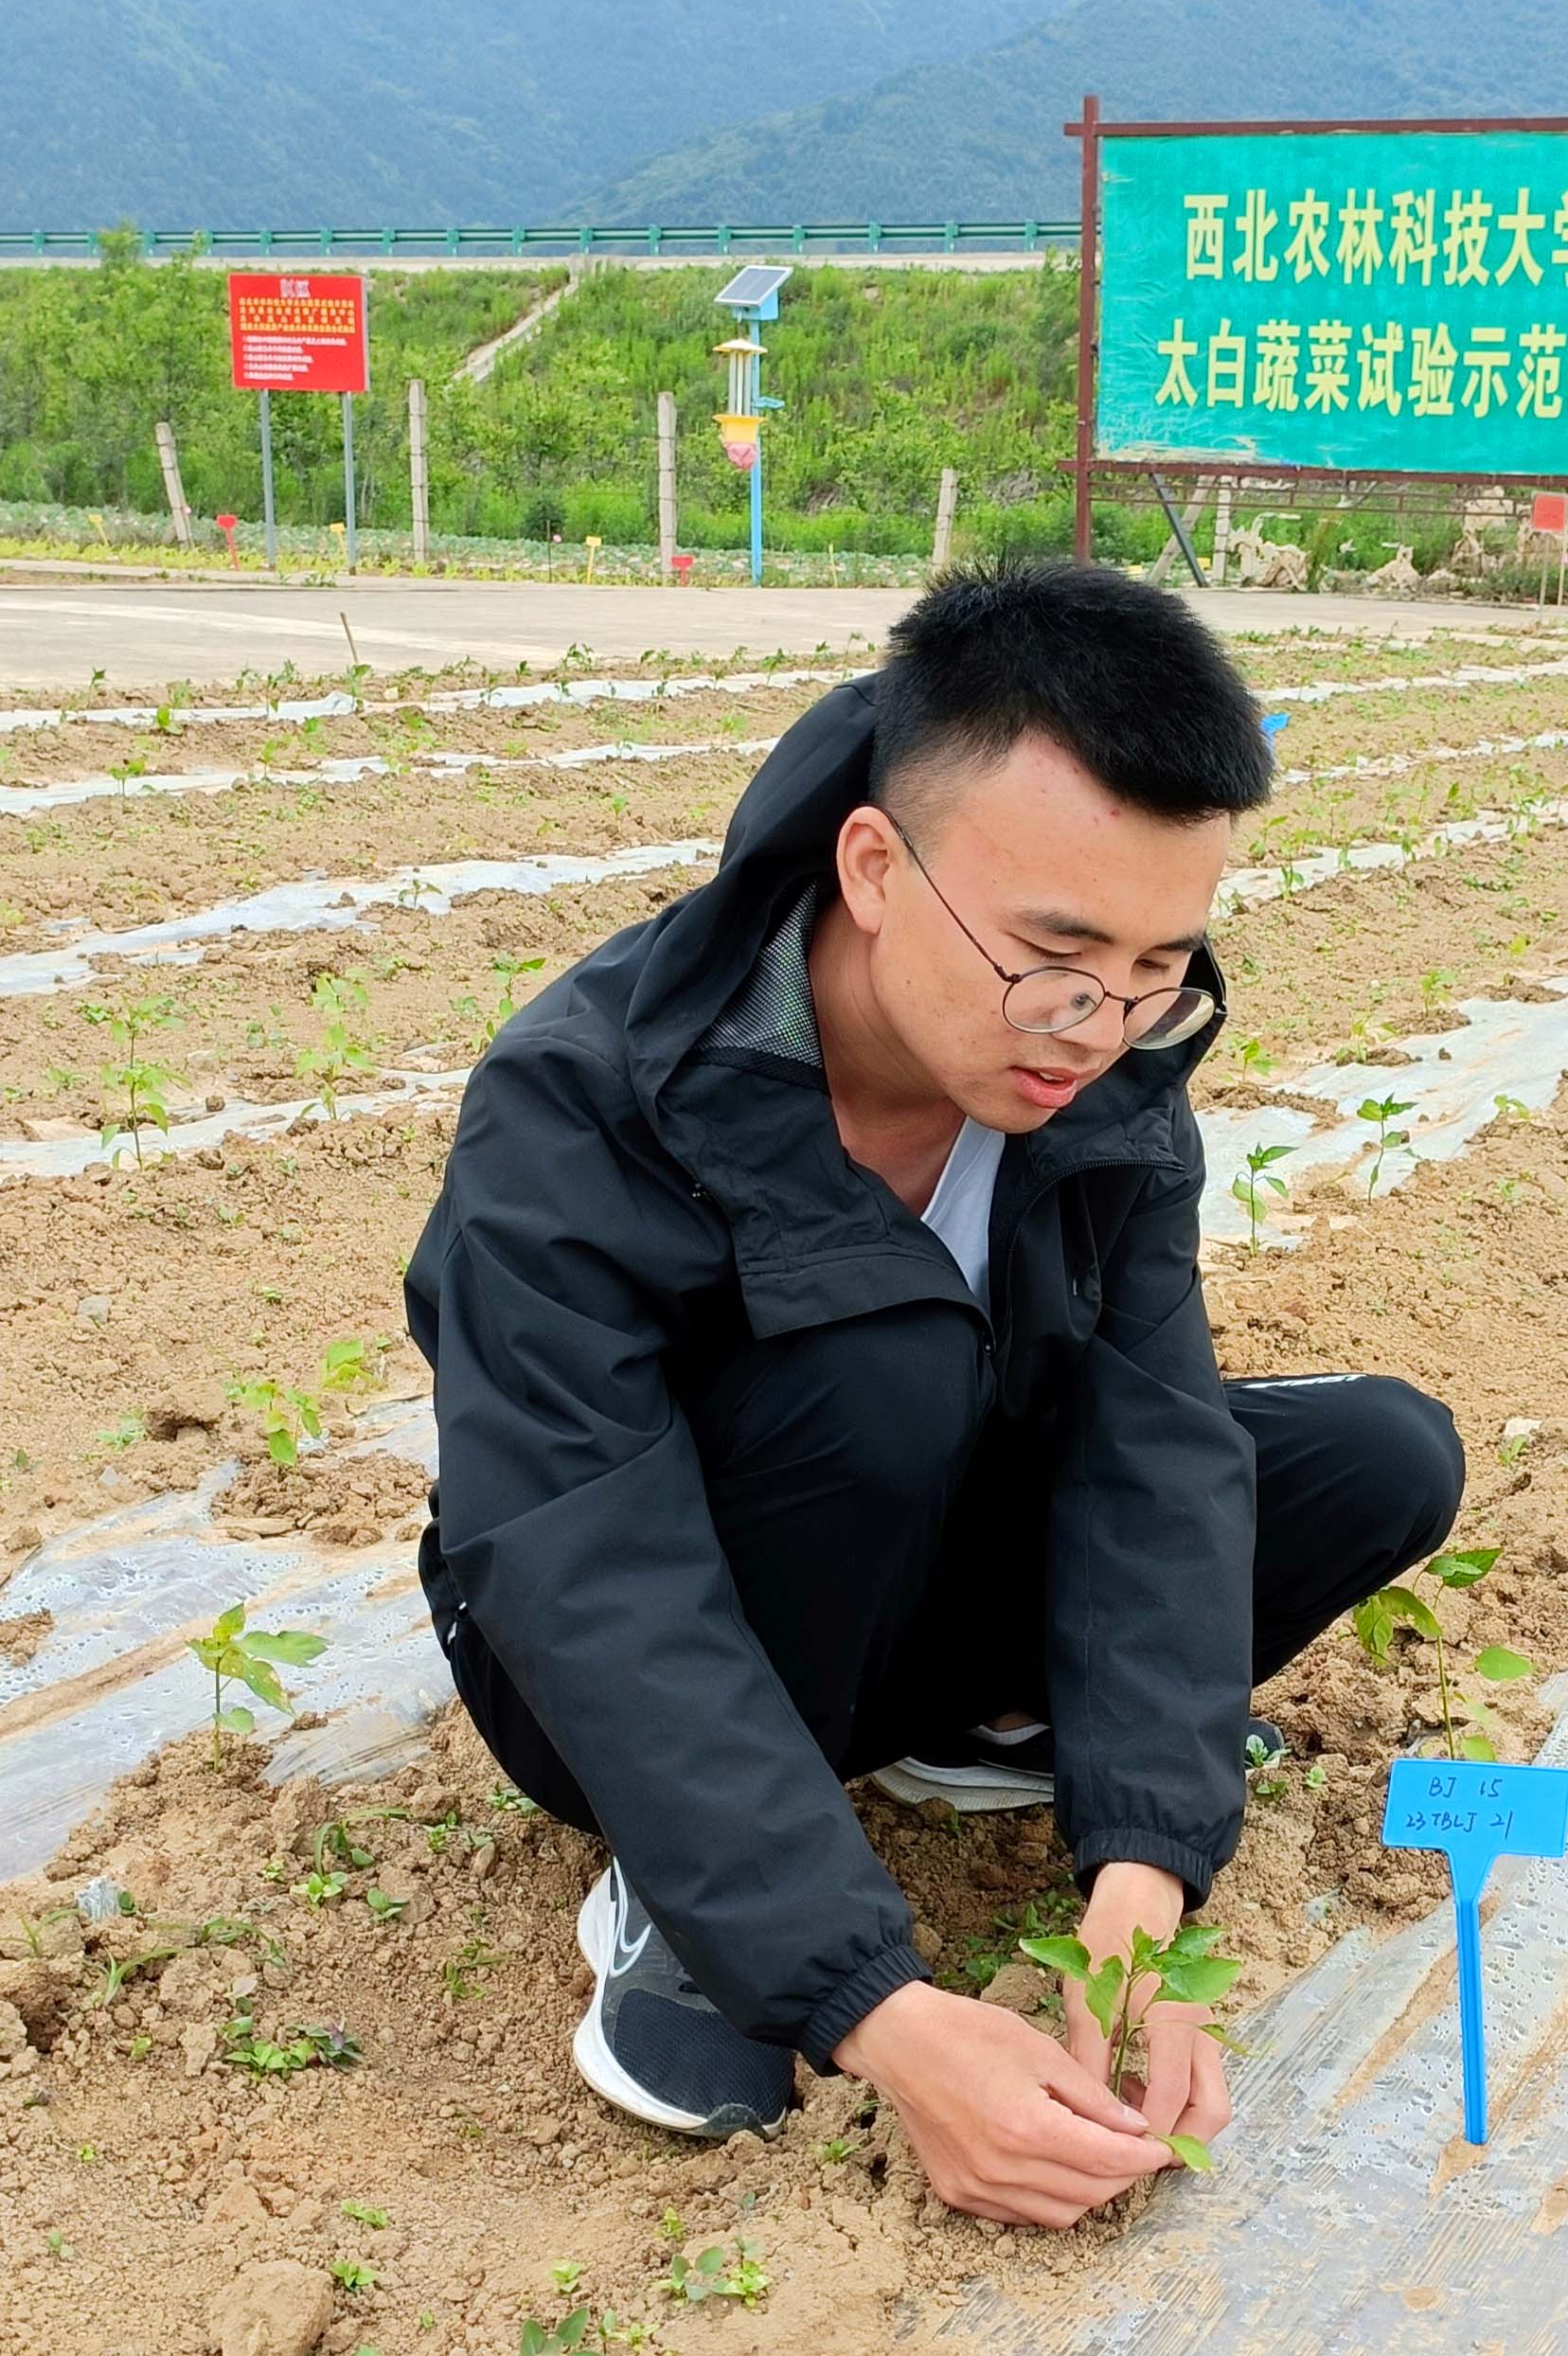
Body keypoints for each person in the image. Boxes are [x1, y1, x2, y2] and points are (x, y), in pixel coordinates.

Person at [405, 561, 1466, 2230]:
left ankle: (992, 1730)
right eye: (1052, 956)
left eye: (1157, 969)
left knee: (1375, 1454)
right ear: (876, 868)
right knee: (883, 1362)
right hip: (593, 1658)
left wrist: (1134, 1895)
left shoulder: (1105, 1082)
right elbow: (578, 1557)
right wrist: (873, 2007)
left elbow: (1151, 1453)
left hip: (903, 1554)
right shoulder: (585, 1103)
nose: (1095, 1026)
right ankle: (697, 1903)